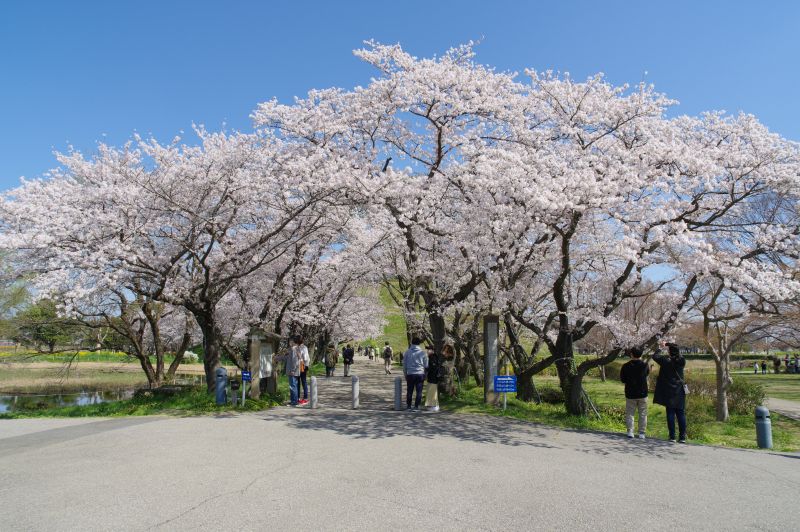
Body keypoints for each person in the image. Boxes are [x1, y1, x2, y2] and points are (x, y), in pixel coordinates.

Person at [653, 342, 687, 443]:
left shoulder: (665, 360)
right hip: (679, 390)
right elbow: (677, 353)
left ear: (669, 352)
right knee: (681, 413)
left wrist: (661, 347)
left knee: (670, 413)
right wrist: (670, 345)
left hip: (668, 390)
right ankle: (682, 437)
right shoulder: (682, 360)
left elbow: (655, 356)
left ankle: (672, 437)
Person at [620, 346, 649, 439]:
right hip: (643, 393)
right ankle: (642, 433)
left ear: (631, 354)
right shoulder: (645, 365)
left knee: (630, 413)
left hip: (630, 393)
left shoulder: (625, 366)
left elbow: (623, 380)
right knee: (643, 414)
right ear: (641, 354)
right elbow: (646, 374)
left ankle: (630, 431)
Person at [402, 337, 428, 412]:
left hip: (410, 373)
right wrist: (425, 375)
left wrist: (405, 374)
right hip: (420, 373)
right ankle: (417, 406)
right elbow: (426, 365)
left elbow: (404, 365)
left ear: (412, 343)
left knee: (409, 390)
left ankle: (409, 406)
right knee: (419, 391)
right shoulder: (423, 353)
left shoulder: (407, 352)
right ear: (419, 343)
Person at [293, 336, 310, 405]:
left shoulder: (297, 348)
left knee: (298, 382)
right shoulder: (304, 347)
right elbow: (306, 358)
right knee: (303, 381)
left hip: (298, 366)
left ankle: (298, 398)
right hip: (303, 366)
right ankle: (305, 398)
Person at [425, 345, 441, 412]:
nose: (427, 351)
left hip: (433, 377)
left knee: (432, 391)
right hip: (432, 377)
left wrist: (426, 369)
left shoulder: (433, 357)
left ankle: (433, 406)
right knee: (431, 391)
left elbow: (433, 368)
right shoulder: (433, 357)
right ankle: (433, 405)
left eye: (429, 349)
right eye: (427, 349)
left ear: (432, 350)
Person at [284, 342, 301, 406]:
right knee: (294, 386)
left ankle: (294, 402)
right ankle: (294, 401)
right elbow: (287, 358)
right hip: (295, 371)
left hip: (293, 372)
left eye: (290, 341)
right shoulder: (296, 349)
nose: (289, 343)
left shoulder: (293, 349)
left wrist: (293, 370)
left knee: (293, 386)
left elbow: (294, 361)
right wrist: (277, 358)